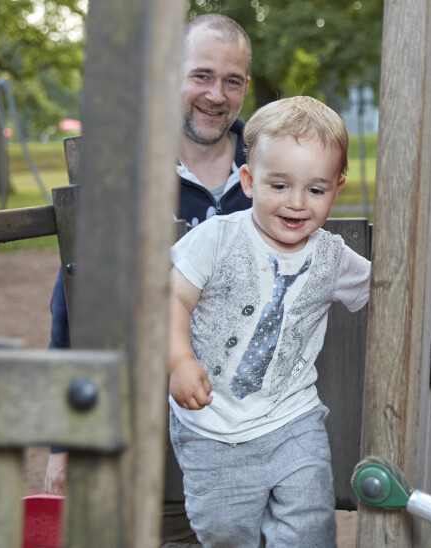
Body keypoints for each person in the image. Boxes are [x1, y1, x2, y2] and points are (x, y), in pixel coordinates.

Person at [44, 9, 253, 508]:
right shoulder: (124, 175)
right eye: (201, 75)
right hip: (144, 446)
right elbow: (74, 314)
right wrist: (63, 440)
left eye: (232, 81)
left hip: (249, 448)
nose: (216, 95)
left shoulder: (271, 174)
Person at [168, 95, 369, 547]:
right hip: (213, 427)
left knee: (310, 530)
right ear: (249, 180)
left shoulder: (332, 257)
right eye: (280, 186)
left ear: (336, 189)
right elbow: (170, 301)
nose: (297, 203)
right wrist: (180, 361)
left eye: (315, 190)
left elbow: (394, 289)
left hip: (292, 420)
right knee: (225, 533)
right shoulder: (217, 239)